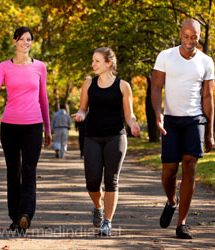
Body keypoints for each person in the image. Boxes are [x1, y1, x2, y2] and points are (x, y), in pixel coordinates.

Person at [0, 27, 51, 233]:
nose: (26, 43)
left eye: (29, 40)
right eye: (22, 39)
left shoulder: (40, 67)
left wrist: (48, 128)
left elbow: (43, 99)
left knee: (29, 170)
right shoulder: (3, 67)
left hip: (33, 126)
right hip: (9, 126)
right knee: (13, 171)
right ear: (15, 41)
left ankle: (25, 214)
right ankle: (15, 216)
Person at [151, 19, 215, 239]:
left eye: (194, 37)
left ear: (199, 36)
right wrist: (158, 115)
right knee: (168, 173)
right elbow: (156, 87)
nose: (190, 41)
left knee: (189, 166)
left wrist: (210, 132)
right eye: (186, 36)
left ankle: (182, 223)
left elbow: (208, 98)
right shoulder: (165, 56)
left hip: (195, 120)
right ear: (180, 34)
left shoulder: (207, 62)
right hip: (170, 120)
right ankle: (171, 201)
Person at [72, 47, 141, 236]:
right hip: (92, 136)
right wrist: (80, 114)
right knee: (92, 181)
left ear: (108, 64)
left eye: (97, 61)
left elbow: (129, 114)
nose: (93, 64)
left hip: (115, 137)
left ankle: (107, 222)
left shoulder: (123, 86)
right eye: (93, 60)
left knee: (111, 180)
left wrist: (133, 125)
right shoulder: (88, 84)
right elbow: (83, 108)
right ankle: (98, 205)